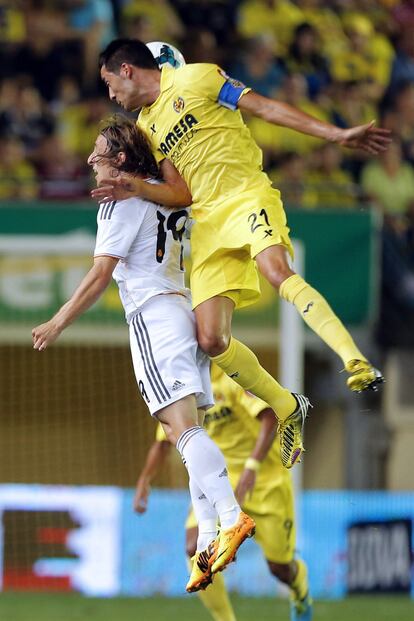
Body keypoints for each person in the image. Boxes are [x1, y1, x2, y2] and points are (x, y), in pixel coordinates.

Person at [94, 39, 389, 469]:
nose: (110, 96)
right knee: (211, 339)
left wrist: (336, 134)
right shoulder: (146, 129)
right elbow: (182, 192)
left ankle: (354, 359)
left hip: (246, 196)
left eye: (108, 82)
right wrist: (136, 187)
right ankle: (287, 405)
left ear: (127, 69)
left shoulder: (200, 77)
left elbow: (266, 108)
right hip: (208, 223)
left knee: (276, 270)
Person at [31, 114, 255, 592]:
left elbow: (97, 278)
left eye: (98, 152)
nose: (90, 160)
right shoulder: (158, 190)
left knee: (184, 431)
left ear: (119, 160)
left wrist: (57, 321)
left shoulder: (118, 202)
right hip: (181, 308)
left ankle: (231, 516)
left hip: (153, 317)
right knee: (183, 432)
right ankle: (210, 539)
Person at [135, 364, 312, 621]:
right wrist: (144, 480)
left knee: (280, 569)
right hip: (218, 481)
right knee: (194, 547)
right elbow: (164, 440)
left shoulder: (232, 375)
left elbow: (270, 417)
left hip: (264, 482)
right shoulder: (179, 386)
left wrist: (252, 467)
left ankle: (300, 589)